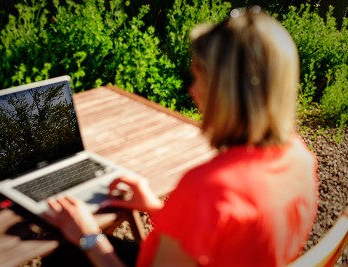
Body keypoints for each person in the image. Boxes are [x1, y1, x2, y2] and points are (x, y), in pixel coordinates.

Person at [43, 6, 318, 267]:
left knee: (64, 254)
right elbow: (225, 236)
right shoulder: (300, 158)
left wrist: (89, 237)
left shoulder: (208, 189)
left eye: (198, 77)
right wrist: (153, 206)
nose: (192, 91)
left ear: (224, 94)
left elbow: (213, 208)